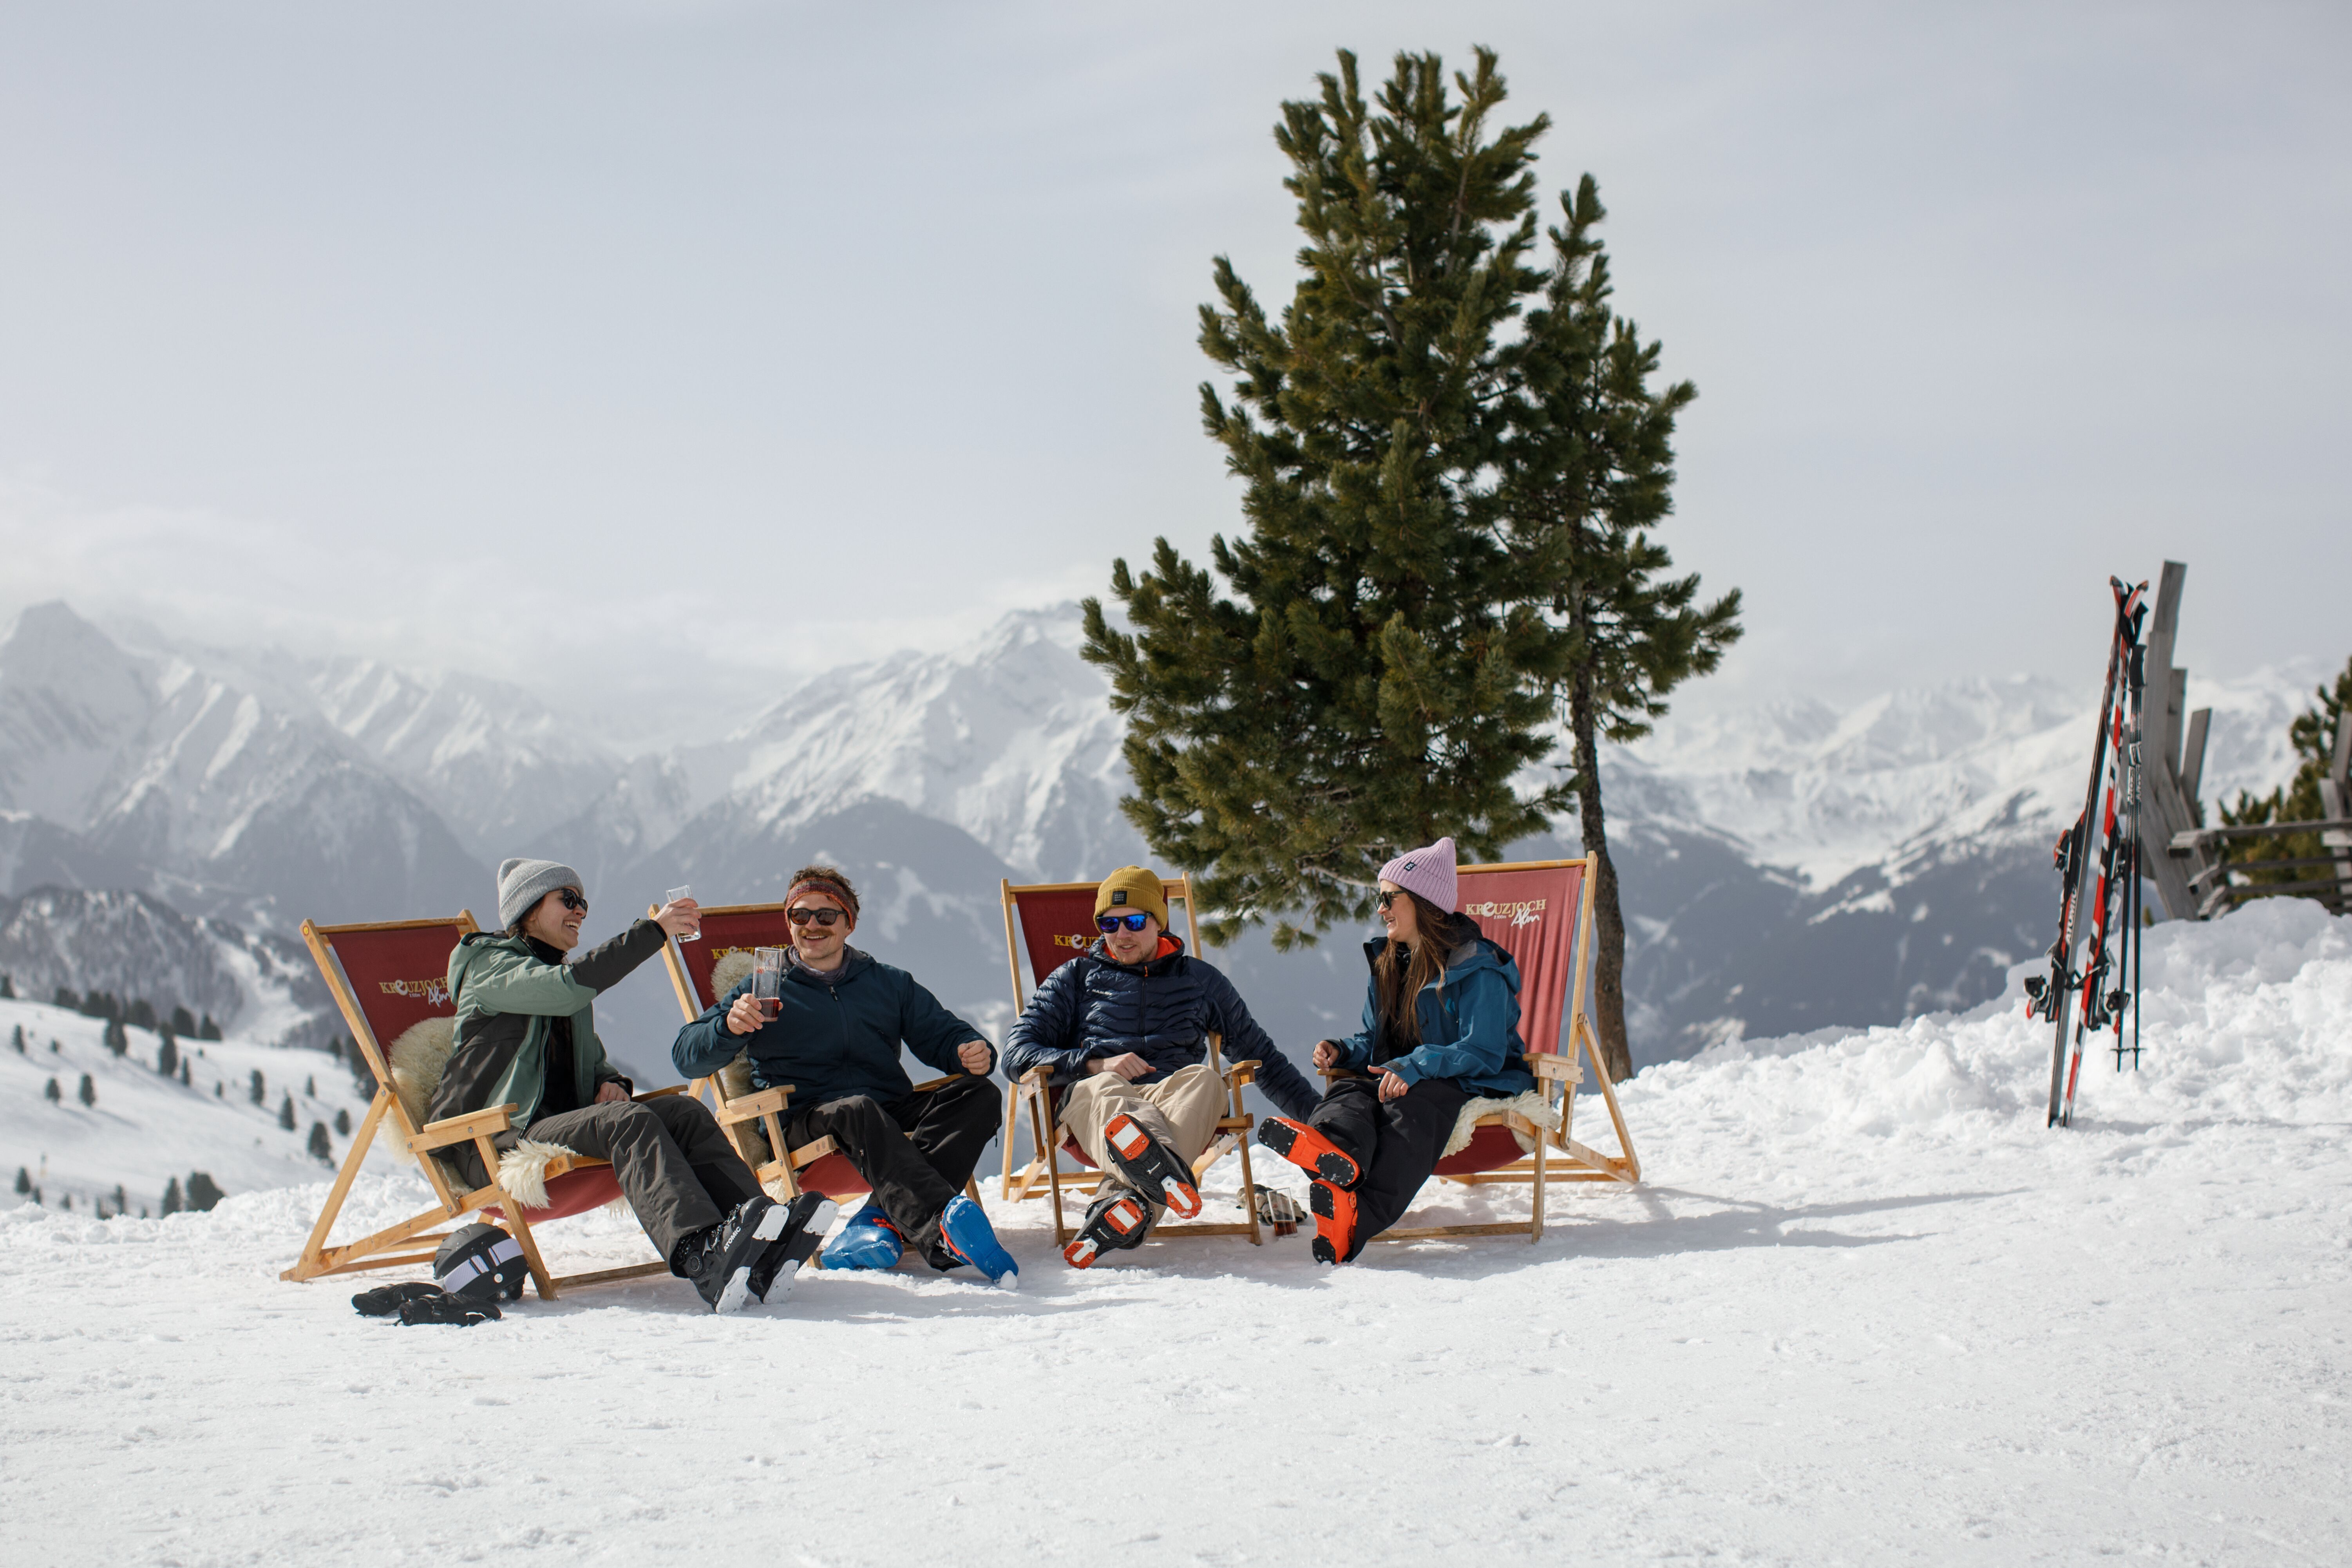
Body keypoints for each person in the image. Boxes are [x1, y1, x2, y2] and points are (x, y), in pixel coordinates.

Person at [431, 857, 832, 1313]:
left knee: (684, 1112)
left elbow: (589, 1055)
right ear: (527, 909)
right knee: (630, 1123)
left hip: (554, 1126)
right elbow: (567, 989)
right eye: (568, 899)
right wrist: (654, 931)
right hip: (490, 1139)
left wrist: (608, 1080)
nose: (581, 910)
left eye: (583, 901)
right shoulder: (491, 967)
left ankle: (761, 1237)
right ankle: (700, 1252)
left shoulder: (555, 975)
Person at [671, 864, 1019, 1289]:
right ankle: (937, 1231)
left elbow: (942, 1033)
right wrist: (728, 1026)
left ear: (848, 923)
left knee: (978, 1094)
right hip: (804, 1117)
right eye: (800, 915)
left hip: (884, 1110)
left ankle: (878, 1220)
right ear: (788, 923)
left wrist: (970, 1050)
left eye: (826, 915)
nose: (812, 925)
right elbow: (687, 1056)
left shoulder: (886, 982)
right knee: (858, 1109)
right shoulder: (763, 985)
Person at [1002, 865, 1319, 1268]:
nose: (1121, 934)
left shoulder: (1200, 980)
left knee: (1205, 1079)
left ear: (1159, 922)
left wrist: (1323, 1122)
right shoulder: (1075, 978)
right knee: (1103, 1086)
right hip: (1098, 1105)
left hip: (1172, 1098)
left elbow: (1263, 1057)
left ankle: (1122, 1204)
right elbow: (1015, 1055)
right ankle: (1156, 1175)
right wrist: (1095, 1062)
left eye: (1134, 921)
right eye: (1108, 923)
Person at [1256, 836, 1532, 1264]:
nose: (1380, 909)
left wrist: (1418, 1065)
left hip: (1471, 1079)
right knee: (1351, 1092)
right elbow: (1375, 1041)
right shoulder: (1389, 960)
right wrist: (1342, 1051)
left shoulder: (1479, 967)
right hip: (1402, 1071)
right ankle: (1333, 1150)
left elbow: (1484, 1049)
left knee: (1414, 1105)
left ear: (1422, 902)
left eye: (1388, 898)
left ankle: (1357, 1216)